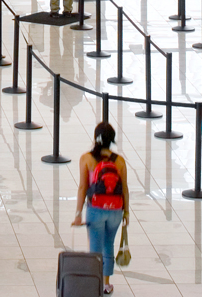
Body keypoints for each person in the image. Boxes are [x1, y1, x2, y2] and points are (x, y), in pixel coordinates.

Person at [71, 121, 130, 295]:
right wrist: (126, 211)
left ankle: (93, 282)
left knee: (95, 249)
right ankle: (106, 284)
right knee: (108, 245)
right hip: (115, 210)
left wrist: (78, 214)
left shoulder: (86, 159)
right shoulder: (119, 161)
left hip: (95, 209)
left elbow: (83, 187)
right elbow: (124, 188)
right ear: (112, 140)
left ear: (95, 138)